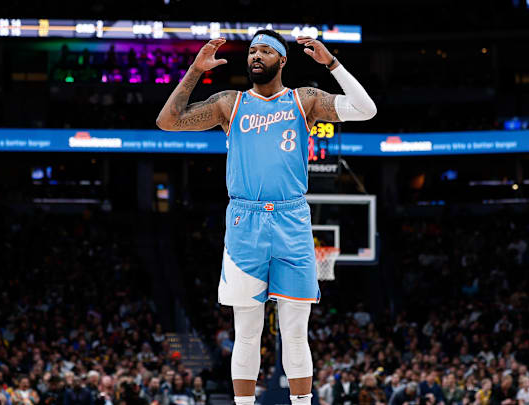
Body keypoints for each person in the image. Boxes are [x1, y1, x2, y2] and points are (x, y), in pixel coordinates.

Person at [156, 29, 376, 405]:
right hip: (245, 220)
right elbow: (168, 121)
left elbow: (365, 109)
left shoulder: (303, 100)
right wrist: (194, 70)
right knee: (246, 330)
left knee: (294, 332)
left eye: (264, 51)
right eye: (252, 51)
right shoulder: (230, 103)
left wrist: (332, 64)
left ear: (282, 59)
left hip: (292, 219)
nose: (255, 56)